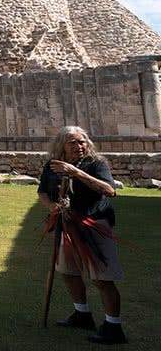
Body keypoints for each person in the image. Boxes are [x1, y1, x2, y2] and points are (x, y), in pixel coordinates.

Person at [37, 126, 126, 345]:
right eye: (73, 142)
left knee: (102, 277)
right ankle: (82, 314)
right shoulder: (52, 167)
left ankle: (113, 326)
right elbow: (42, 192)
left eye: (82, 141)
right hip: (66, 226)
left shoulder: (96, 164)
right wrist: (52, 206)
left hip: (94, 224)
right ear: (61, 146)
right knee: (68, 271)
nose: (79, 146)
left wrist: (76, 172)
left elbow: (109, 190)